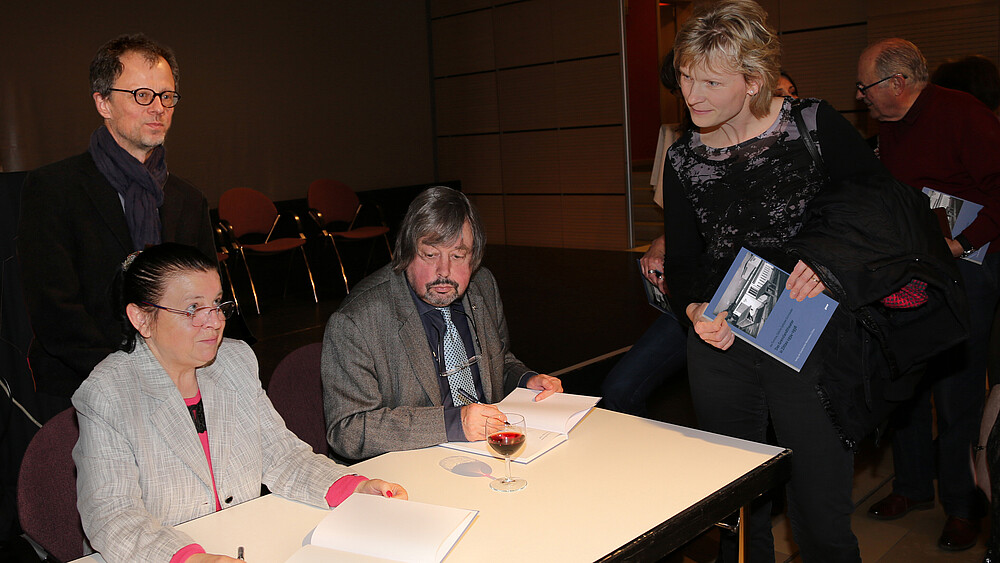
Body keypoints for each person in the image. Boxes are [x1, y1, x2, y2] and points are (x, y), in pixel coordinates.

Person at [660, 2, 964, 561]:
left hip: (812, 337)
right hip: (722, 341)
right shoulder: (683, 160)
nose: (691, 94)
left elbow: (886, 212)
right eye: (684, 77)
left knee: (820, 513)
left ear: (752, 81)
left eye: (709, 80)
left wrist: (828, 262)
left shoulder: (811, 124)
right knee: (735, 511)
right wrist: (695, 311)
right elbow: (682, 262)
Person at [72, 243, 407, 563]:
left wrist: (353, 489)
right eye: (193, 309)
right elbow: (112, 516)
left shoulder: (234, 362)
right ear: (141, 319)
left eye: (217, 304)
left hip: (245, 541)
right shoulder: (108, 393)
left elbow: (282, 455)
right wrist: (191, 559)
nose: (216, 322)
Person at [17, 34, 216, 420]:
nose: (158, 108)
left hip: (178, 385)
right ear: (103, 102)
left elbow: (206, 302)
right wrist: (134, 377)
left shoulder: (188, 200)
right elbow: (56, 314)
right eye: (142, 95)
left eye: (167, 96)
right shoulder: (54, 189)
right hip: (84, 389)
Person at [858, 38, 1000, 552]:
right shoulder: (889, 128)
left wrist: (962, 242)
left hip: (969, 265)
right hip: (912, 268)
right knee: (908, 380)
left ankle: (963, 506)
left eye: (866, 86)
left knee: (958, 389)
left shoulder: (964, 115)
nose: (860, 96)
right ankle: (913, 487)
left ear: (898, 83)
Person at [321, 186, 562, 461]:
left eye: (458, 256)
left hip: (488, 452)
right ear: (406, 252)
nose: (444, 271)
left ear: (474, 257)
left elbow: (500, 361)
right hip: (409, 469)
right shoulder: (356, 321)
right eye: (431, 254)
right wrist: (451, 424)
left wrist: (526, 380)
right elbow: (348, 430)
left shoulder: (482, 286)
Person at [601, 52, 688, 417]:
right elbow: (685, 224)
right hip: (692, 304)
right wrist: (662, 239)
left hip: (748, 308)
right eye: (682, 86)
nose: (692, 96)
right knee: (619, 389)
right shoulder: (684, 149)